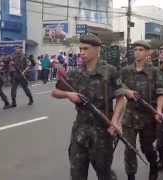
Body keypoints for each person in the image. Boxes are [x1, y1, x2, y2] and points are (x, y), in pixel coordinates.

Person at [52, 33, 127, 180]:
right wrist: (68, 95)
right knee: (77, 174)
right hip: (80, 130)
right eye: (80, 49)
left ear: (97, 49)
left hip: (103, 131)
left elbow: (121, 98)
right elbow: (55, 91)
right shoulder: (75, 73)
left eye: (85, 49)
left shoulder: (109, 71)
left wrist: (116, 121)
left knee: (104, 173)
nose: (81, 53)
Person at [120, 40, 163, 180]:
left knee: (147, 148)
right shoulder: (126, 70)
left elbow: (161, 92)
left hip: (148, 116)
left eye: (141, 49)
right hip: (130, 116)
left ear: (147, 52)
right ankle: (131, 176)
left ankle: (153, 166)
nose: (137, 52)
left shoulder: (154, 71)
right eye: (135, 49)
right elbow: (117, 85)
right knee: (129, 149)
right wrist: (127, 91)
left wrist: (158, 110)